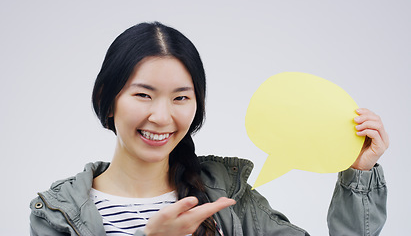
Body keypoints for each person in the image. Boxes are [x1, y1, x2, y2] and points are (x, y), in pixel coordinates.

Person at [29, 22, 389, 236]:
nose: (161, 116)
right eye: (143, 95)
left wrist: (358, 173)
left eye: (181, 98)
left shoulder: (225, 194)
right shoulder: (59, 211)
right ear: (108, 98)